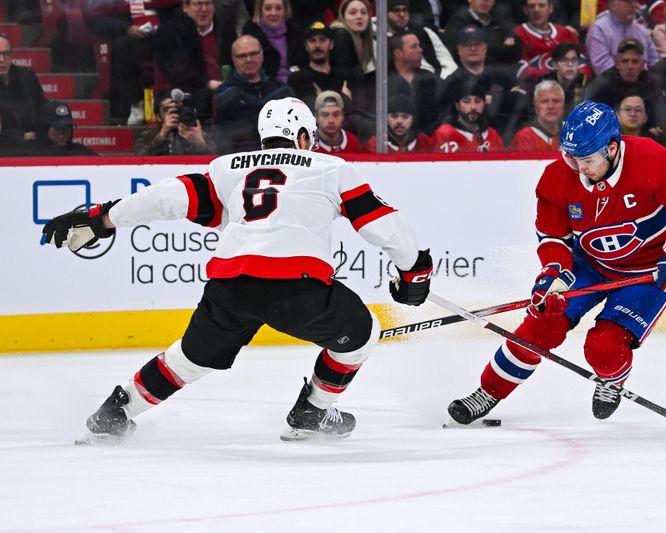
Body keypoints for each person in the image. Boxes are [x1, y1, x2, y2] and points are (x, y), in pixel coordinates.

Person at [42, 97, 433, 444]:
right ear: (301, 136)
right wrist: (414, 270)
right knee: (363, 334)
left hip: (230, 288)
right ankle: (312, 411)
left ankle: (113, 413)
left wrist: (101, 219)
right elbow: (384, 225)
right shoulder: (329, 166)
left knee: (188, 360)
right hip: (298, 290)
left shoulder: (229, 168)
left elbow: (165, 198)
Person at [446, 101, 666, 425]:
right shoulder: (558, 177)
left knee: (603, 348)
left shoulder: (651, 161)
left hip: (647, 275)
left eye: (586, 159)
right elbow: (554, 238)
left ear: (612, 148)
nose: (577, 166)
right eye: (570, 156)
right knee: (539, 326)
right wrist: (553, 273)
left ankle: (612, 379)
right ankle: (488, 392)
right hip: (587, 266)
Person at [154, 0, 237, 122]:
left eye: (208, 4)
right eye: (198, 4)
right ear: (185, 7)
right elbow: (176, 71)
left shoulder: (226, 29)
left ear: (214, 7)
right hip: (188, 90)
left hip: (225, 88)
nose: (203, 9)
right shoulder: (169, 32)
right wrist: (207, 83)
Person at [214, 35, 294, 153]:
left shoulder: (281, 89)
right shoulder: (225, 93)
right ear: (233, 59)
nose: (249, 60)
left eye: (253, 54)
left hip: (279, 157)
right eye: (242, 56)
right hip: (239, 160)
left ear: (261, 55)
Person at [288, 22, 359, 111]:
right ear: (306, 46)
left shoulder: (346, 77)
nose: (317, 45)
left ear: (331, 44)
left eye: (322, 40)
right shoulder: (297, 79)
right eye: (312, 41)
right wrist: (343, 99)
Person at [387, 0, 457, 80]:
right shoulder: (379, 39)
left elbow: (449, 64)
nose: (402, 15)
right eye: (396, 10)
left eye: (405, 10)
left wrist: (441, 82)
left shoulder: (425, 32)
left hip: (439, 81)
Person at [388, 31, 441, 136]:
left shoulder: (430, 79)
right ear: (398, 53)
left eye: (419, 46)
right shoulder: (381, 80)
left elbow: (441, 111)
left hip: (427, 141)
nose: (420, 50)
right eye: (414, 47)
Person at [585, 0, 660, 74]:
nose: (634, 5)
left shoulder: (642, 31)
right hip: (612, 83)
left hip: (645, 83)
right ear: (612, 4)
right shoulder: (599, 30)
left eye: (635, 1)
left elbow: (655, 63)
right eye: (628, 1)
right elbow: (603, 68)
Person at [135, 89, 217, 155]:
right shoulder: (150, 135)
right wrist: (161, 136)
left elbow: (215, 161)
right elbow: (139, 160)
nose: (173, 113)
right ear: (159, 116)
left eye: (177, 109)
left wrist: (199, 142)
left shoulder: (196, 133)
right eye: (167, 109)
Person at [442, 0, 521, 67]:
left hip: (499, 74)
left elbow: (514, 52)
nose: (485, 0)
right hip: (468, 77)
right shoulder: (457, 23)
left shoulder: (500, 22)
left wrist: (483, 51)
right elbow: (455, 54)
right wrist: (501, 49)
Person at [241, 0, 305, 83]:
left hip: (296, 84)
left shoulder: (296, 33)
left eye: (278, 8)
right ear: (260, 11)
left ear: (285, 10)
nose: (273, 13)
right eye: (268, 9)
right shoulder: (251, 33)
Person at [431, 82, 505, 152]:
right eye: (466, 101)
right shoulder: (445, 133)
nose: (473, 107)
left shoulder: (492, 134)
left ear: (484, 104)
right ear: (457, 106)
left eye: (478, 101)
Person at [0, 36, 46, 143]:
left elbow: (42, 108)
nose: (1, 60)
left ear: (11, 56)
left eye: (5, 54)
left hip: (34, 143)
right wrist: (22, 136)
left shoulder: (27, 76)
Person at [513, 0, 580, 73]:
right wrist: (553, 77)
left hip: (570, 82)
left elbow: (582, 63)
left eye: (542, 5)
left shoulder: (566, 33)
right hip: (536, 83)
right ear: (525, 10)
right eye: (532, 6)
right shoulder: (518, 34)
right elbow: (521, 69)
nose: (537, 10)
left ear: (550, 8)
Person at [23, 101, 98, 157]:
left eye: (66, 128)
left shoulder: (81, 152)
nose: (62, 134)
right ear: (45, 129)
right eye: (57, 129)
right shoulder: (29, 152)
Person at [363, 94, 433, 152]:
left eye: (405, 117)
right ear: (386, 118)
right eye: (394, 116)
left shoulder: (424, 142)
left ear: (413, 119)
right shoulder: (375, 144)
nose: (399, 121)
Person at [509, 79, 565, 151]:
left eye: (556, 101)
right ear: (536, 106)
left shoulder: (574, 133)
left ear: (563, 105)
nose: (550, 106)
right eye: (544, 101)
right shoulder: (524, 138)